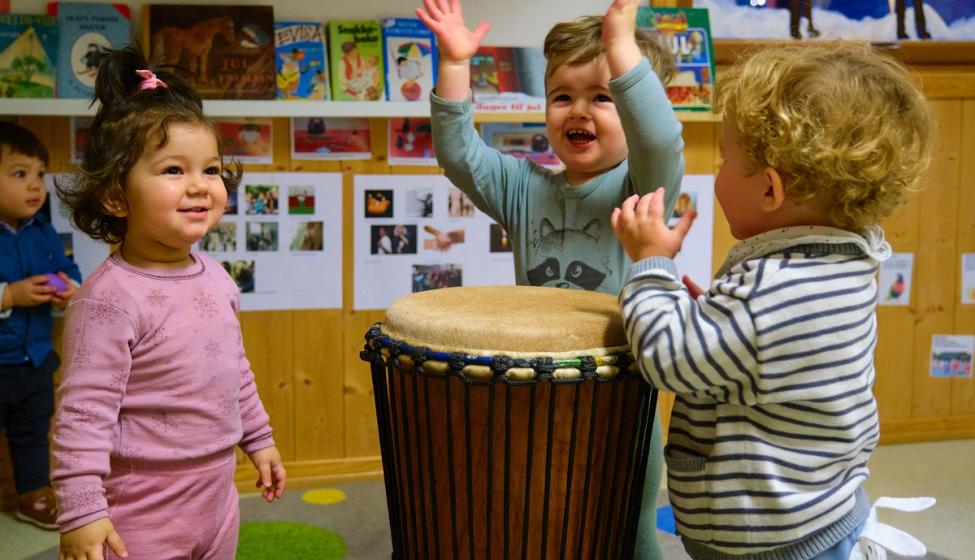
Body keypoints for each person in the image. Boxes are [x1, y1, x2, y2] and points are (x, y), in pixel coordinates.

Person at [612, 41, 934, 559]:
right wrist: (718, 316)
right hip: (820, 511)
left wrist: (650, 262)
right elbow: (769, 344)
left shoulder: (771, 292)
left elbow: (668, 359)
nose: (717, 175)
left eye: (724, 160)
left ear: (770, 190)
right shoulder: (848, 259)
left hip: (769, 540)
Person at [417, 0, 684, 557]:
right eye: (562, 95)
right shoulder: (524, 186)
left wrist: (620, 46)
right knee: (538, 518)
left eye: (603, 97)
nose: (578, 111)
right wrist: (455, 63)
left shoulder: (643, 186)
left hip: (621, 399)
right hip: (535, 393)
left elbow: (659, 139)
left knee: (627, 533)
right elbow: (458, 154)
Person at [52, 45, 285, 560]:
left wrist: (259, 438)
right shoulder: (108, 300)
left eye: (212, 169)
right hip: (141, 503)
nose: (201, 185)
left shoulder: (219, 279)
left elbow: (234, 371)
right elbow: (82, 414)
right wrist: (82, 510)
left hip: (216, 490)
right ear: (116, 196)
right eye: (174, 170)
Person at [0, 122, 82, 530]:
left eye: (39, 175)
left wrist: (70, 287)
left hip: (36, 360)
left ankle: (33, 495)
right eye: (20, 174)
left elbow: (69, 270)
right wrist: (9, 296)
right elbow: (10, 293)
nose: (35, 185)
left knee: (33, 433)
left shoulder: (44, 231)